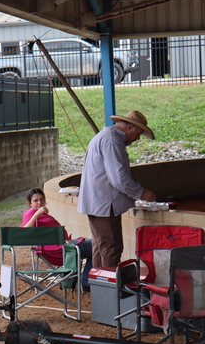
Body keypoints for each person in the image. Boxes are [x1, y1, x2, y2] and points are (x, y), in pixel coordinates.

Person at [77, 110, 157, 268]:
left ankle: (99, 287)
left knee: (102, 247)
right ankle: (109, 289)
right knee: (111, 248)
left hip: (97, 202)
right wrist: (141, 193)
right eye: (138, 133)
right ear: (130, 128)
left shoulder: (105, 136)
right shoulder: (112, 140)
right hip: (105, 204)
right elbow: (119, 178)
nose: (137, 138)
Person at [23, 187, 92, 287]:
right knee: (97, 245)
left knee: (96, 246)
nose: (39, 203)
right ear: (29, 203)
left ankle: (83, 279)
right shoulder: (31, 212)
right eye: (35, 201)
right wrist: (37, 213)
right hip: (57, 250)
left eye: (42, 199)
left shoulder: (42, 214)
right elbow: (24, 231)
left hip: (62, 247)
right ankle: (85, 281)